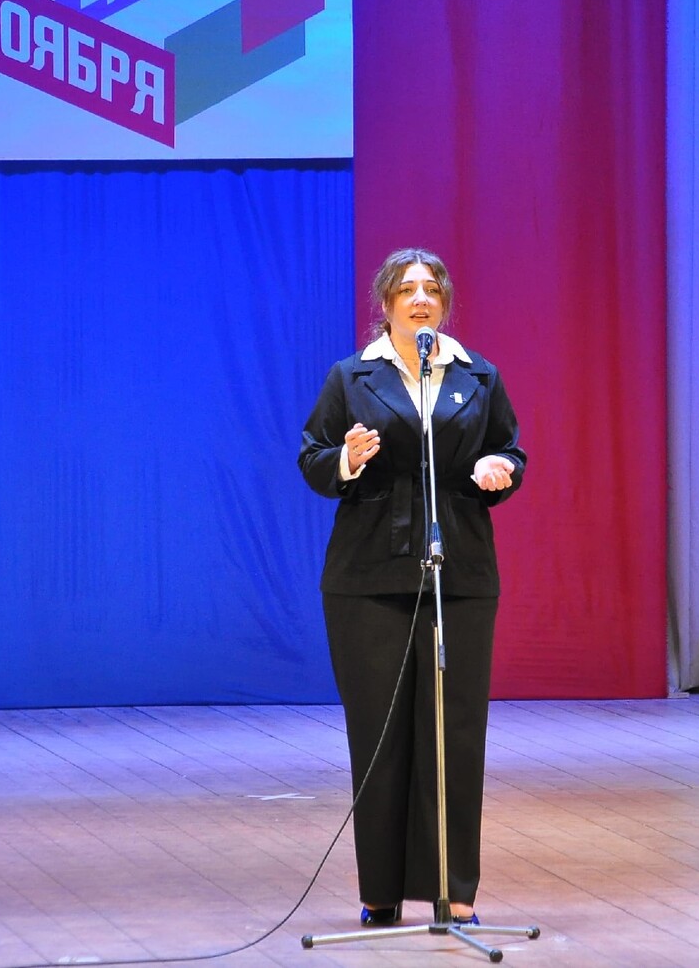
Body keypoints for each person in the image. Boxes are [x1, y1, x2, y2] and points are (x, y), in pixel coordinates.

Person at [298, 248, 526, 927]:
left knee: (455, 732)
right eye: (407, 289)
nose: (420, 298)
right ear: (386, 303)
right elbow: (313, 457)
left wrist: (498, 468)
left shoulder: (478, 375)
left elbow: (511, 450)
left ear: (443, 302)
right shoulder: (352, 376)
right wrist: (346, 458)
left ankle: (454, 890)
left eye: (431, 288)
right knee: (380, 733)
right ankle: (381, 891)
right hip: (368, 576)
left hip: (458, 572)